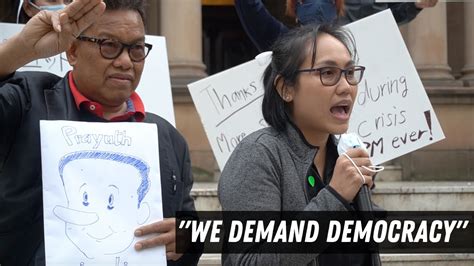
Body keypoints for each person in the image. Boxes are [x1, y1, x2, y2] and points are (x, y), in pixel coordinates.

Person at [0, 0, 200, 265]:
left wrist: (187, 239)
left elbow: (190, 230)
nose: (125, 61)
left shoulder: (167, 138)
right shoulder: (25, 102)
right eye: (109, 46)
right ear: (72, 51)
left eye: (137, 49)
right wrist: (20, 49)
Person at [218, 23, 377, 265]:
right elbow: (250, 261)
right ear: (286, 88)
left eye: (350, 72)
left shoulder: (343, 155)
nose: (346, 87)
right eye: (327, 73)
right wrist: (335, 196)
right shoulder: (259, 154)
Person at [235, 0, 438, 52]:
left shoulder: (351, 41)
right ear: (295, 7)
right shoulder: (284, 43)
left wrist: (415, 5)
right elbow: (252, 9)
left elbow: (382, 20)